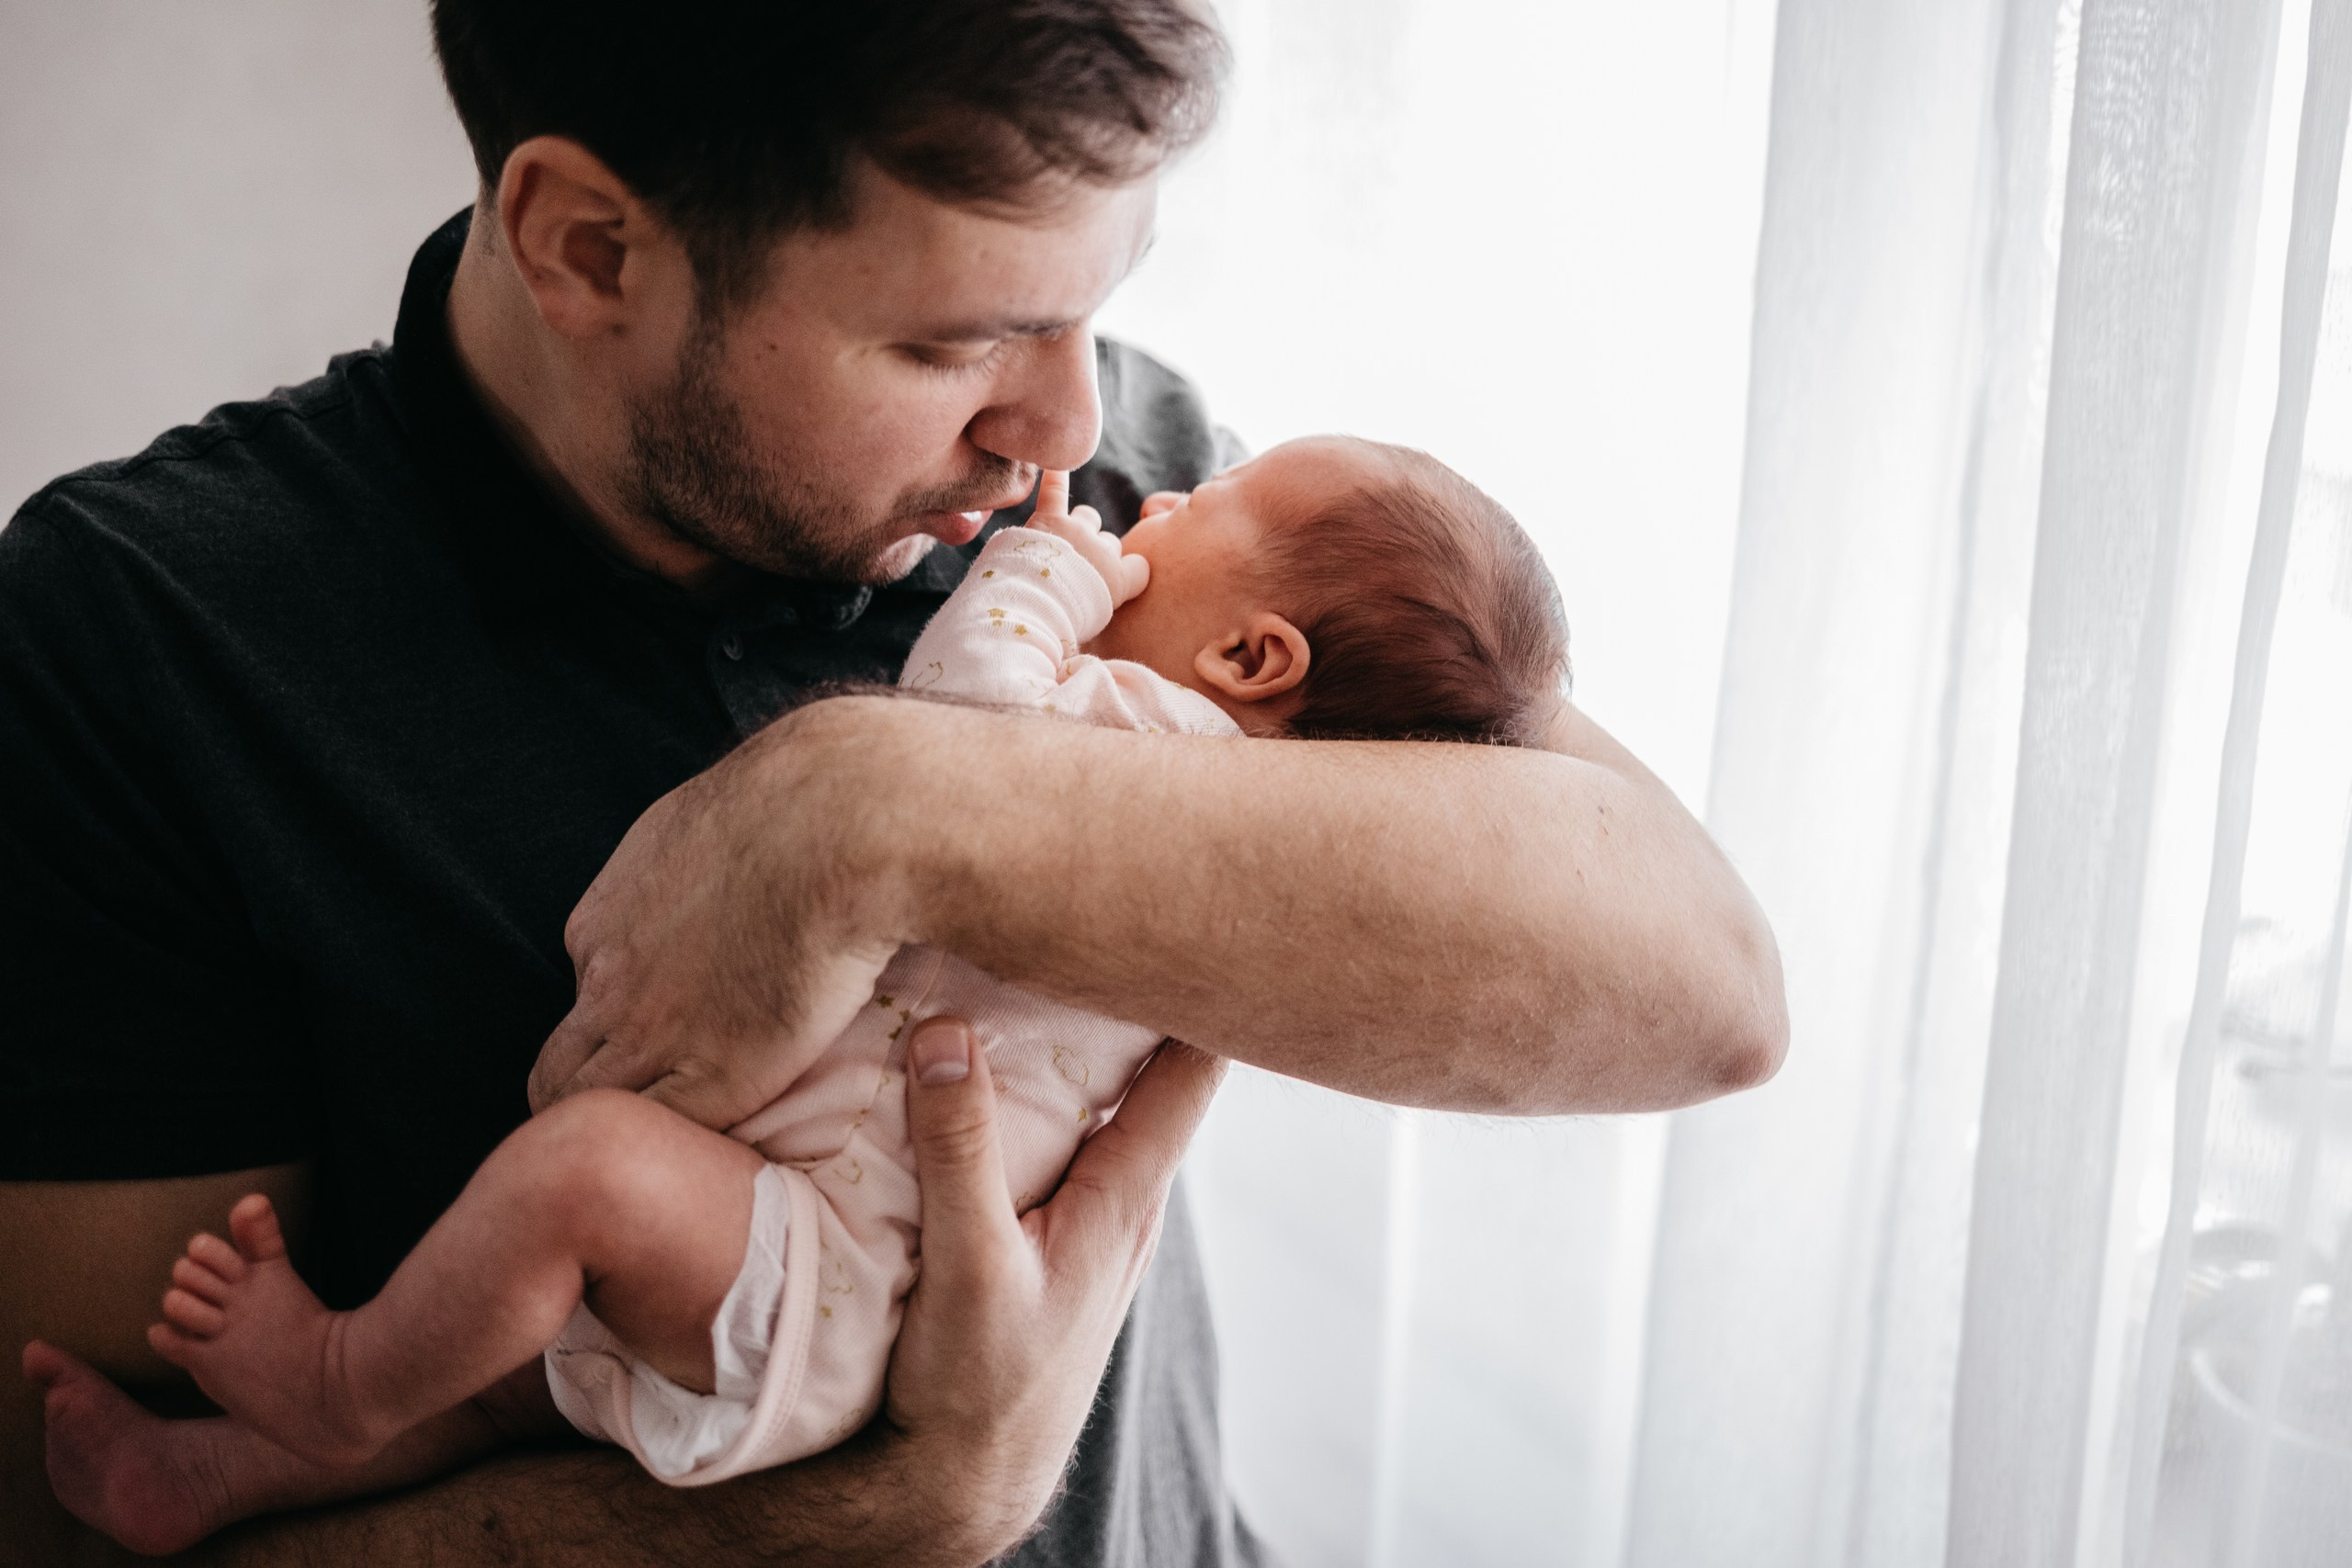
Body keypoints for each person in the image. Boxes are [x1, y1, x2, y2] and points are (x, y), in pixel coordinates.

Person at [0, 3, 1788, 1562]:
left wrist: (873, 808)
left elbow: (1698, 988)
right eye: (952, 341)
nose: (1072, 426)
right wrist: (883, 1515)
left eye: (1099, 309)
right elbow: (76, 1530)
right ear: (590, 248)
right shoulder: (138, 636)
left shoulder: (1136, 509)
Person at [31, 436, 1575, 1553]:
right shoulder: (1269, 842)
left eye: (1202, 508)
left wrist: (1038, 574)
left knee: (576, 1186)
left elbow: (959, 727)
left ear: (1250, 654)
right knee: (515, 1389)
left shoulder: (1153, 738)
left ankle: (337, 1380)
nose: (1143, 482)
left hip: (842, 1267)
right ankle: (222, 1481)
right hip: (827, 1262)